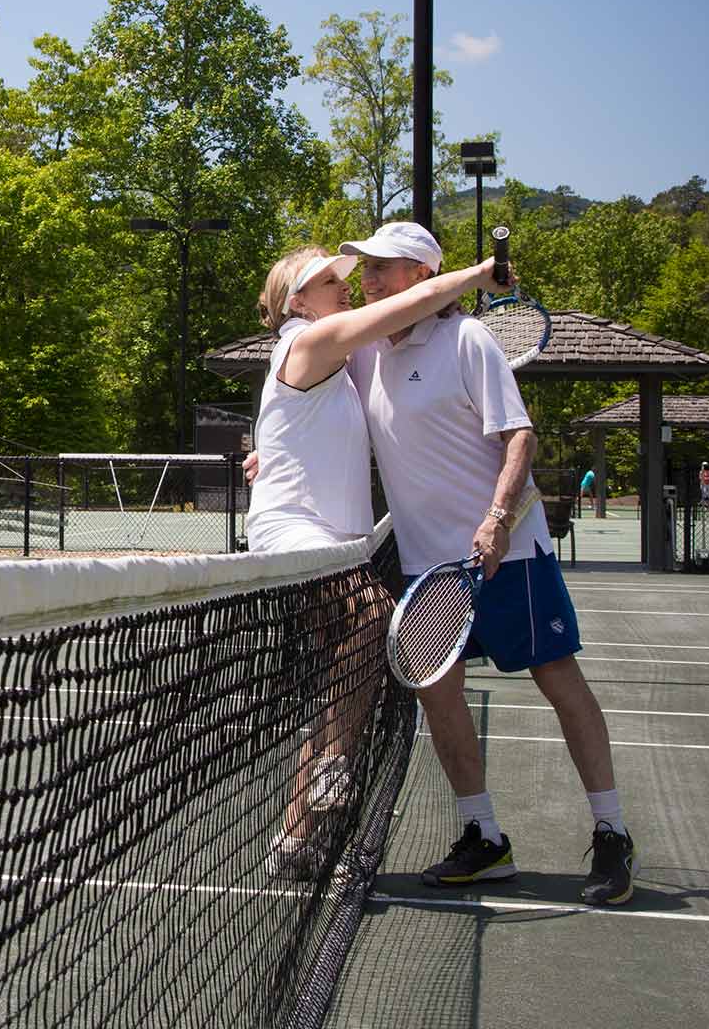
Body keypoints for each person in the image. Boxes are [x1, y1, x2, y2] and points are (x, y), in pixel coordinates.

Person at [248, 221, 635, 906]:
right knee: (440, 699)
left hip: (508, 555)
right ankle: (482, 836)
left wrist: (493, 521)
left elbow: (521, 437)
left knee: (559, 681)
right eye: (359, 269)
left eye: (383, 268)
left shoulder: (468, 340)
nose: (367, 279)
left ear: (422, 276)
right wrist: (268, 454)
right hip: (429, 570)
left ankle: (610, 830)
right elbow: (309, 403)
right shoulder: (361, 353)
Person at [248, 242, 506, 879]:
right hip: (293, 534)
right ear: (295, 302)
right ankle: (335, 763)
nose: (345, 282)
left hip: (341, 542)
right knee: (375, 617)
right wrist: (478, 274)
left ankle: (294, 840)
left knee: (345, 680)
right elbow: (407, 305)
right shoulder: (306, 342)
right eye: (327, 278)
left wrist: (262, 451)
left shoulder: (338, 361)